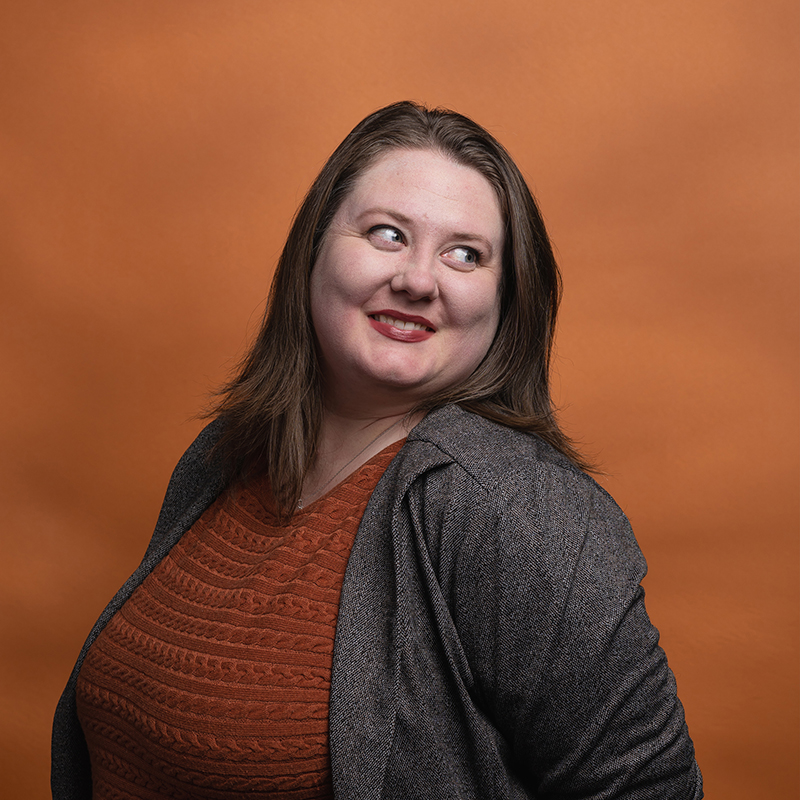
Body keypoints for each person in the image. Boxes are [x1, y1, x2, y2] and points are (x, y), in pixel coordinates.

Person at [52, 101, 703, 799]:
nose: (419, 280)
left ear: (506, 300)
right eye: (388, 234)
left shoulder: (511, 508)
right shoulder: (226, 454)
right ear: (314, 249)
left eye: (465, 254)